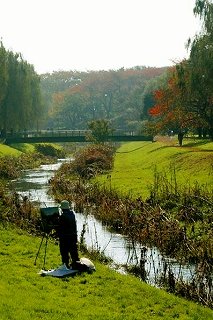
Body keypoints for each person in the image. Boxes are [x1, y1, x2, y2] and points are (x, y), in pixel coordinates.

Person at [57, 200, 80, 269]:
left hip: (65, 237)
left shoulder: (62, 217)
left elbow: (60, 228)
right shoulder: (72, 214)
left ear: (62, 209)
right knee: (74, 251)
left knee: (64, 251)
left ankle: (66, 265)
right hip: (73, 236)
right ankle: (76, 264)